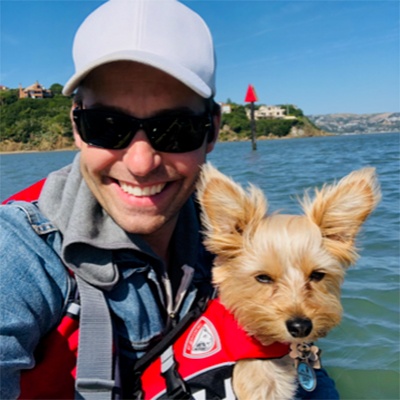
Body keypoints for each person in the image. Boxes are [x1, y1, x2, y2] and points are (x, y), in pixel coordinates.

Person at [0, 0, 339, 398]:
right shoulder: (20, 250)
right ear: (77, 126)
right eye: (107, 126)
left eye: (175, 129)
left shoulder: (237, 235)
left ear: (212, 131)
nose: (141, 163)